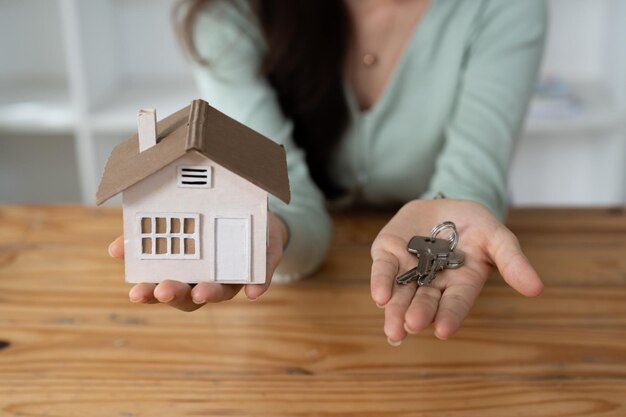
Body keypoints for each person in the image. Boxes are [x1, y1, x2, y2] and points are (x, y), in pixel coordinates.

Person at [109, 0, 547, 345]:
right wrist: (273, 231)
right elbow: (278, 187)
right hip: (299, 316)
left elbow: (473, 176)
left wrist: (461, 205)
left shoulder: (505, 7)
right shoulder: (228, 16)